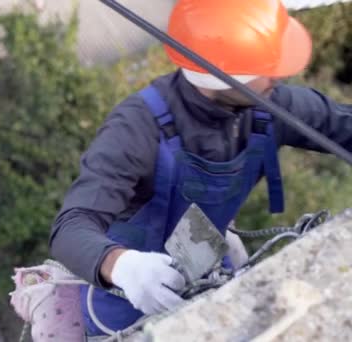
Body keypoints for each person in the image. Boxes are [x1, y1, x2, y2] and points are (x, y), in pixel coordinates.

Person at [49, 0, 352, 337]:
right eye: (265, 66)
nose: (279, 75)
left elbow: (342, 126)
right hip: (125, 300)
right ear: (223, 78)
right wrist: (121, 266)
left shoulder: (269, 106)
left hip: (204, 267)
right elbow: (70, 228)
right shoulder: (137, 126)